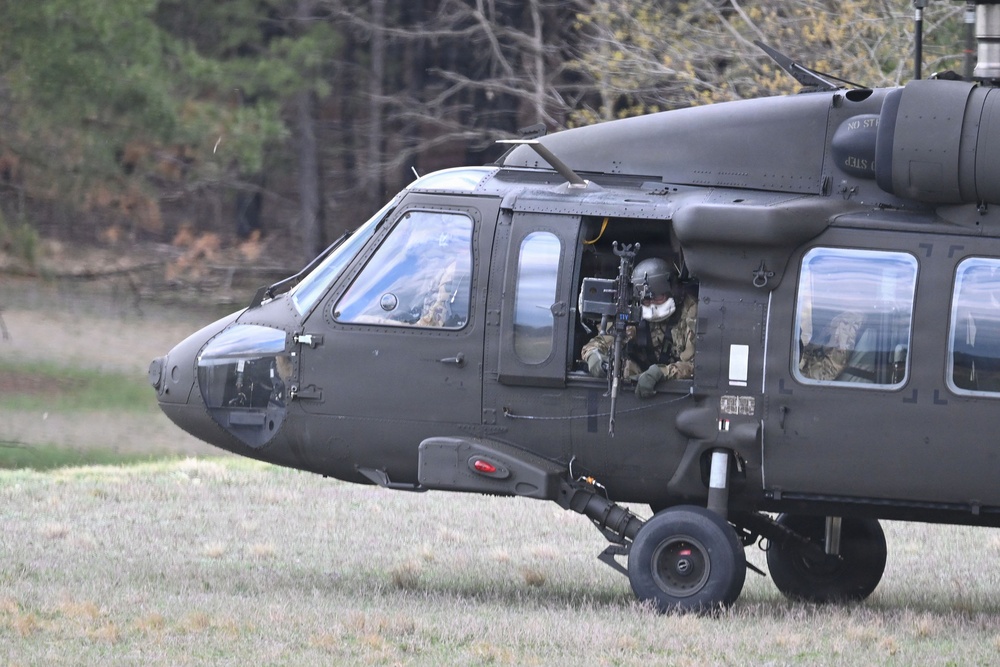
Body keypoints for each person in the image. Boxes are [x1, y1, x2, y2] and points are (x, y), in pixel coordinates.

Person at [580, 257, 698, 398]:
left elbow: (695, 365)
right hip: (637, 382)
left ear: (672, 291)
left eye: (659, 297)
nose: (653, 305)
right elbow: (599, 343)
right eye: (647, 300)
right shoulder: (633, 311)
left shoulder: (691, 312)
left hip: (674, 388)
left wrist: (663, 372)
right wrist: (595, 357)